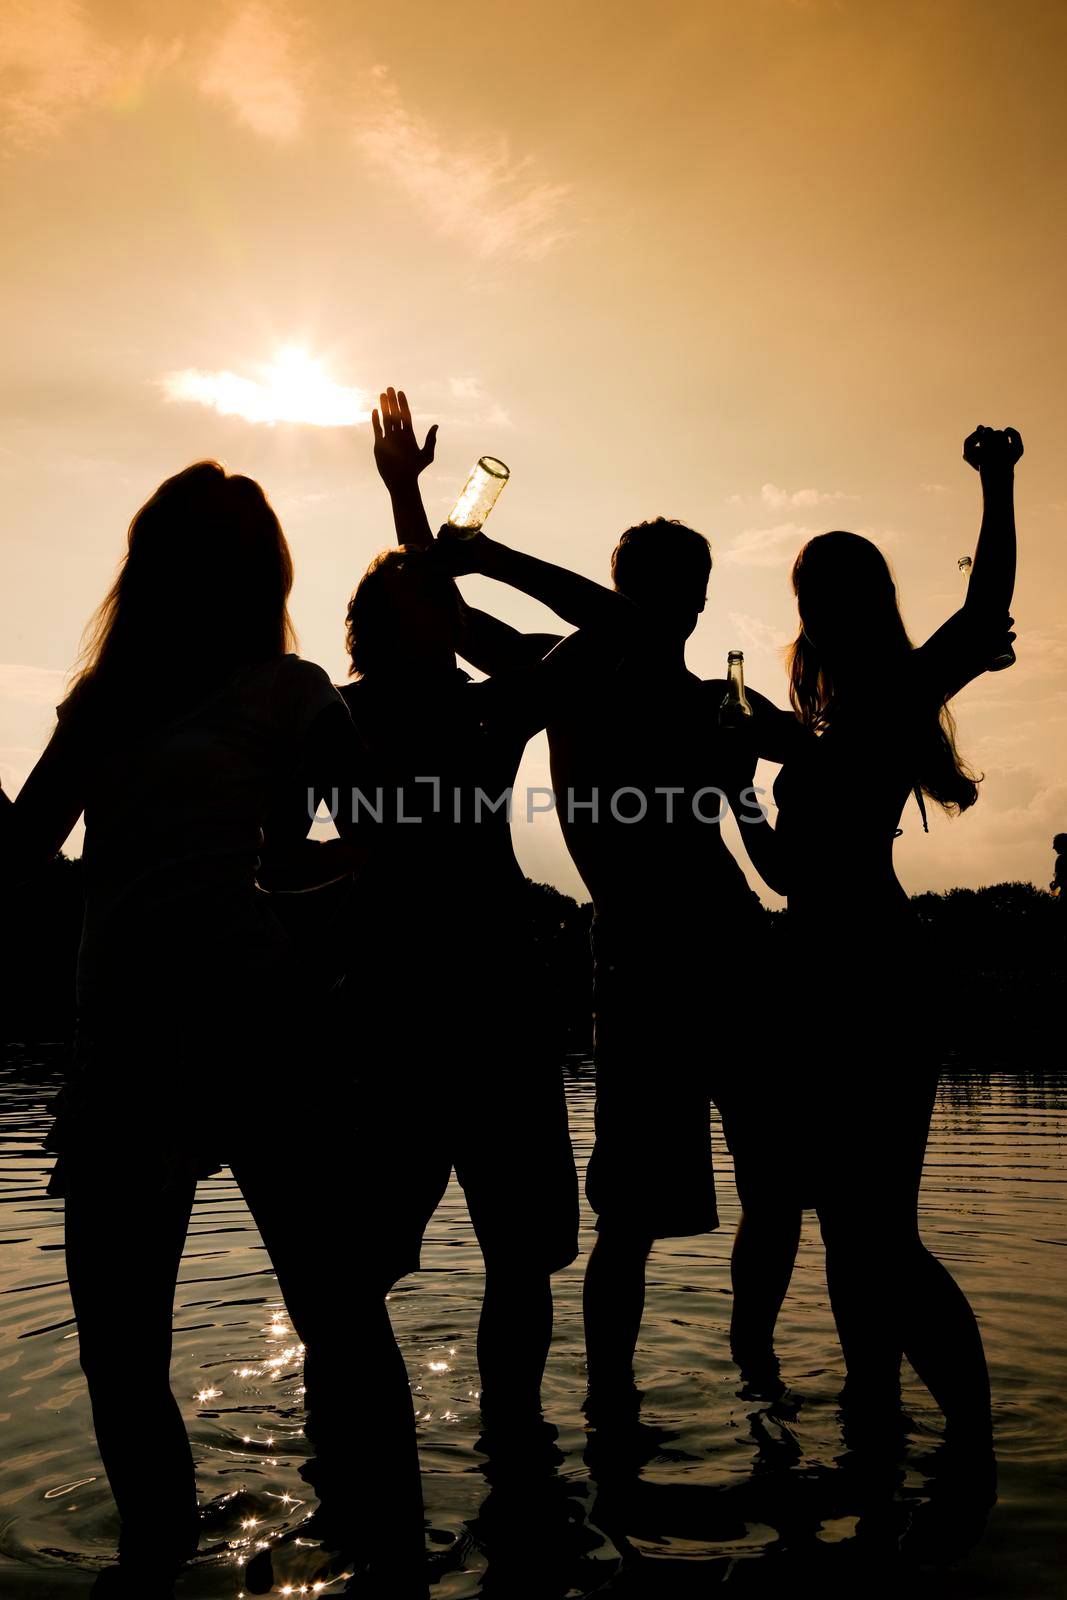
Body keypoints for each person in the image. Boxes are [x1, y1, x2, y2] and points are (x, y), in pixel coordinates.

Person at [0, 463, 395, 1599]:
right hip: (131, 1049)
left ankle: (371, 1551)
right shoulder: (106, 703)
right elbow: (23, 855)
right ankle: (168, 1559)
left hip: (257, 1035)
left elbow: (373, 838)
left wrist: (300, 903)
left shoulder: (291, 689)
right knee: (136, 1362)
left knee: (327, 1324)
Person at [311, 388, 640, 1427]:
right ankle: (360, 1445)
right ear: (377, 626)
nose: (437, 612)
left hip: (488, 1009)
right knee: (358, 1265)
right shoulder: (346, 716)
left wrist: (452, 547)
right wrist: (424, 531)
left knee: (519, 1254)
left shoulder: (483, 710)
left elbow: (617, 630)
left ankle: (509, 1436)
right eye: (423, 603)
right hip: (394, 1013)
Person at [726, 425, 1022, 1459]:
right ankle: (873, 1422)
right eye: (802, 591)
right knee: (850, 1240)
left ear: (857, 603)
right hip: (814, 985)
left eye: (823, 589)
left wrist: (996, 480)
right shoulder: (826, 724)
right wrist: (739, 798)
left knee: (876, 1237)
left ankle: (972, 1441)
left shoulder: (890, 697)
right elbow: (786, 876)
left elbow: (982, 612)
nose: (809, 608)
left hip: (874, 983)